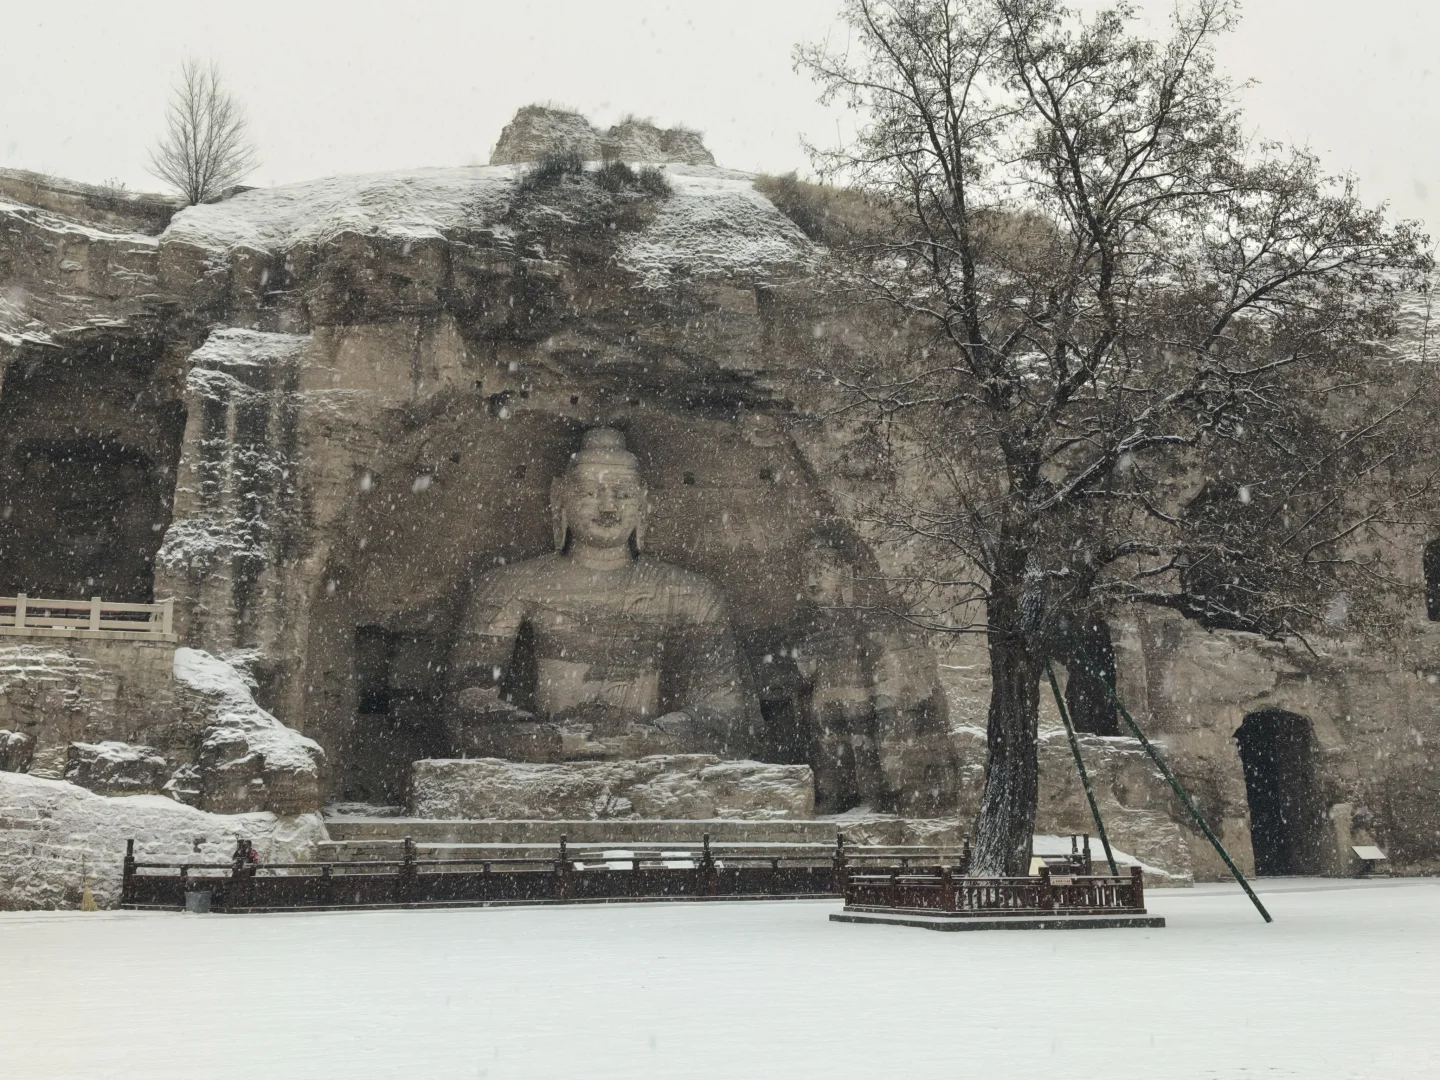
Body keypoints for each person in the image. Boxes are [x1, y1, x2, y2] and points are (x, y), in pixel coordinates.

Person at [447, 428, 762, 762]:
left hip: (651, 764)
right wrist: (549, 740)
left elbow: (728, 713)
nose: (608, 507)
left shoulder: (691, 593)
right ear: (560, 497)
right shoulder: (509, 586)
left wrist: (655, 740)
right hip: (546, 762)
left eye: (623, 494)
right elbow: (466, 705)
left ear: (644, 502)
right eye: (590, 493)